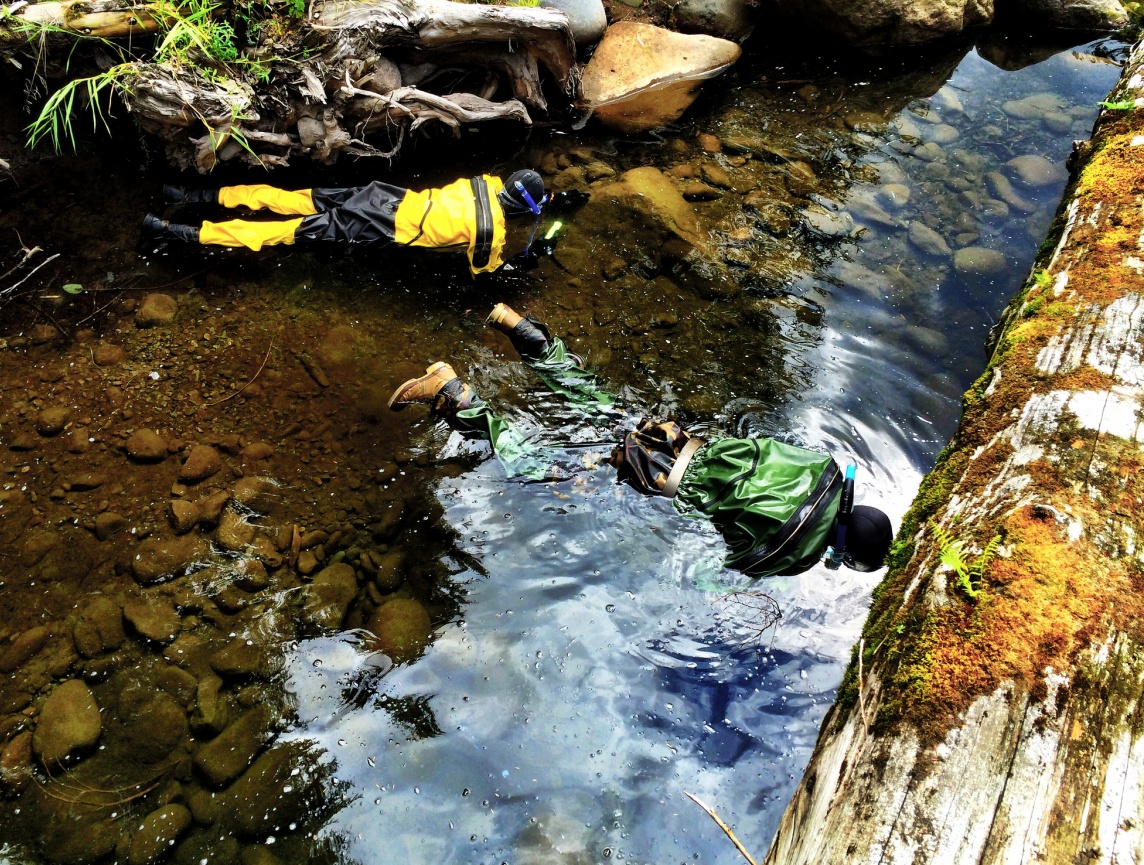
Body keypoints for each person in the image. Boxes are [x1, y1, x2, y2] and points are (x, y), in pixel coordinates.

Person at [387, 304, 894, 577]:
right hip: (657, 477)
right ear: (843, 552)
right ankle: (452, 394)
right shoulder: (796, 552)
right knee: (540, 465)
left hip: (679, 440)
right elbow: (719, 566)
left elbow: (758, 446)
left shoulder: (824, 467)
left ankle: (527, 332)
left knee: (594, 399)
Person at [142, 170, 552, 276]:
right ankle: (173, 231)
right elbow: (487, 271)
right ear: (518, 210)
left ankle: (189, 196)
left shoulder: (484, 182)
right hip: (379, 228)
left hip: (384, 195)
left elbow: (507, 198)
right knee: (279, 233)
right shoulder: (489, 234)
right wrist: (528, 260)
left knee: (293, 199)